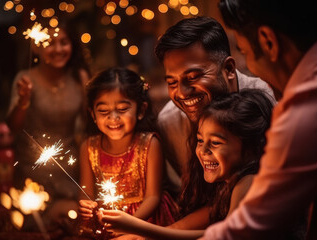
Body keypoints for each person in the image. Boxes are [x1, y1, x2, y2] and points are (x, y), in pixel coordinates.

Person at [201, 0, 317, 239]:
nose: (250, 67)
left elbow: (248, 227)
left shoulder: (310, 104)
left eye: (245, 52)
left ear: (268, 42)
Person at [99, 89, 277, 239]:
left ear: (252, 147)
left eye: (215, 143)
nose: (203, 151)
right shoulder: (229, 186)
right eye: (200, 140)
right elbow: (199, 227)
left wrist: (138, 228)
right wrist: (139, 234)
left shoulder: (249, 183)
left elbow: (221, 236)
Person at [154, 16, 275, 194]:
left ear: (228, 69)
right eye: (172, 83)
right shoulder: (170, 123)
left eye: (193, 77)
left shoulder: (271, 103)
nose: (182, 92)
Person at [6, 19, 91, 230]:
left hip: (69, 168)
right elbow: (12, 128)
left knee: (74, 223)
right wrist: (23, 102)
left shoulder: (79, 77)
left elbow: (91, 122)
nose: (59, 49)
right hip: (32, 169)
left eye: (64, 42)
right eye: (51, 43)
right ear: (36, 45)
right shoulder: (26, 79)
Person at [78, 67, 178, 237]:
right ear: (93, 114)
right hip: (108, 222)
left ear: (141, 110)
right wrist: (86, 206)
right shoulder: (88, 147)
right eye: (103, 111)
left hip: (146, 220)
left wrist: (129, 225)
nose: (113, 117)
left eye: (123, 109)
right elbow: (86, 193)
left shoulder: (149, 144)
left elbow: (153, 197)